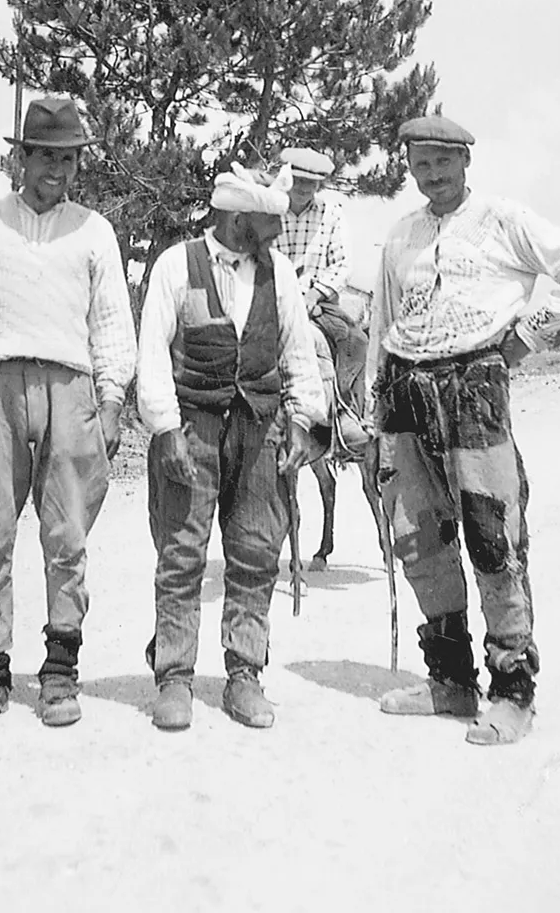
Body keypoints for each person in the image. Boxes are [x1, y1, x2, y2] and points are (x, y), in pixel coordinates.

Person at [368, 115, 560, 745]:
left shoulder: (504, 221)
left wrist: (531, 337)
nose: (432, 175)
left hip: (474, 392)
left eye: (442, 162)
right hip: (405, 393)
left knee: (493, 535)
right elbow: (381, 328)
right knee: (419, 539)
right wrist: (376, 421)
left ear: (465, 163)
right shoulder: (401, 237)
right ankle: (450, 682)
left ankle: (512, 691)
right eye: (420, 164)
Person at [0, 96, 137, 729]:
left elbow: (110, 324)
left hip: (71, 387)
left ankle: (60, 672)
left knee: (66, 537)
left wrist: (111, 400)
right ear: (21, 158)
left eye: (69, 159)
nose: (57, 171)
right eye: (46, 156)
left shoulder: (95, 231)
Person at [136, 163, 324, 731]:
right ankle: (173, 677)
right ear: (239, 218)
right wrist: (166, 428)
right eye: (269, 224)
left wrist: (302, 421)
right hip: (191, 429)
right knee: (182, 552)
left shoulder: (280, 273)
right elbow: (150, 354)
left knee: (254, 550)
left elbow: (297, 354)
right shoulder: (177, 264)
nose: (277, 234)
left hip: (259, 429)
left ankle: (244, 673)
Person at [277, 146, 352, 332]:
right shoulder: (269, 211)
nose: (304, 188)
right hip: (272, 300)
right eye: (299, 180)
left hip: (317, 304)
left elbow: (342, 264)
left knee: (355, 343)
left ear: (320, 184)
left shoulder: (332, 214)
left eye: (311, 182)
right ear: (287, 178)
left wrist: (313, 295)